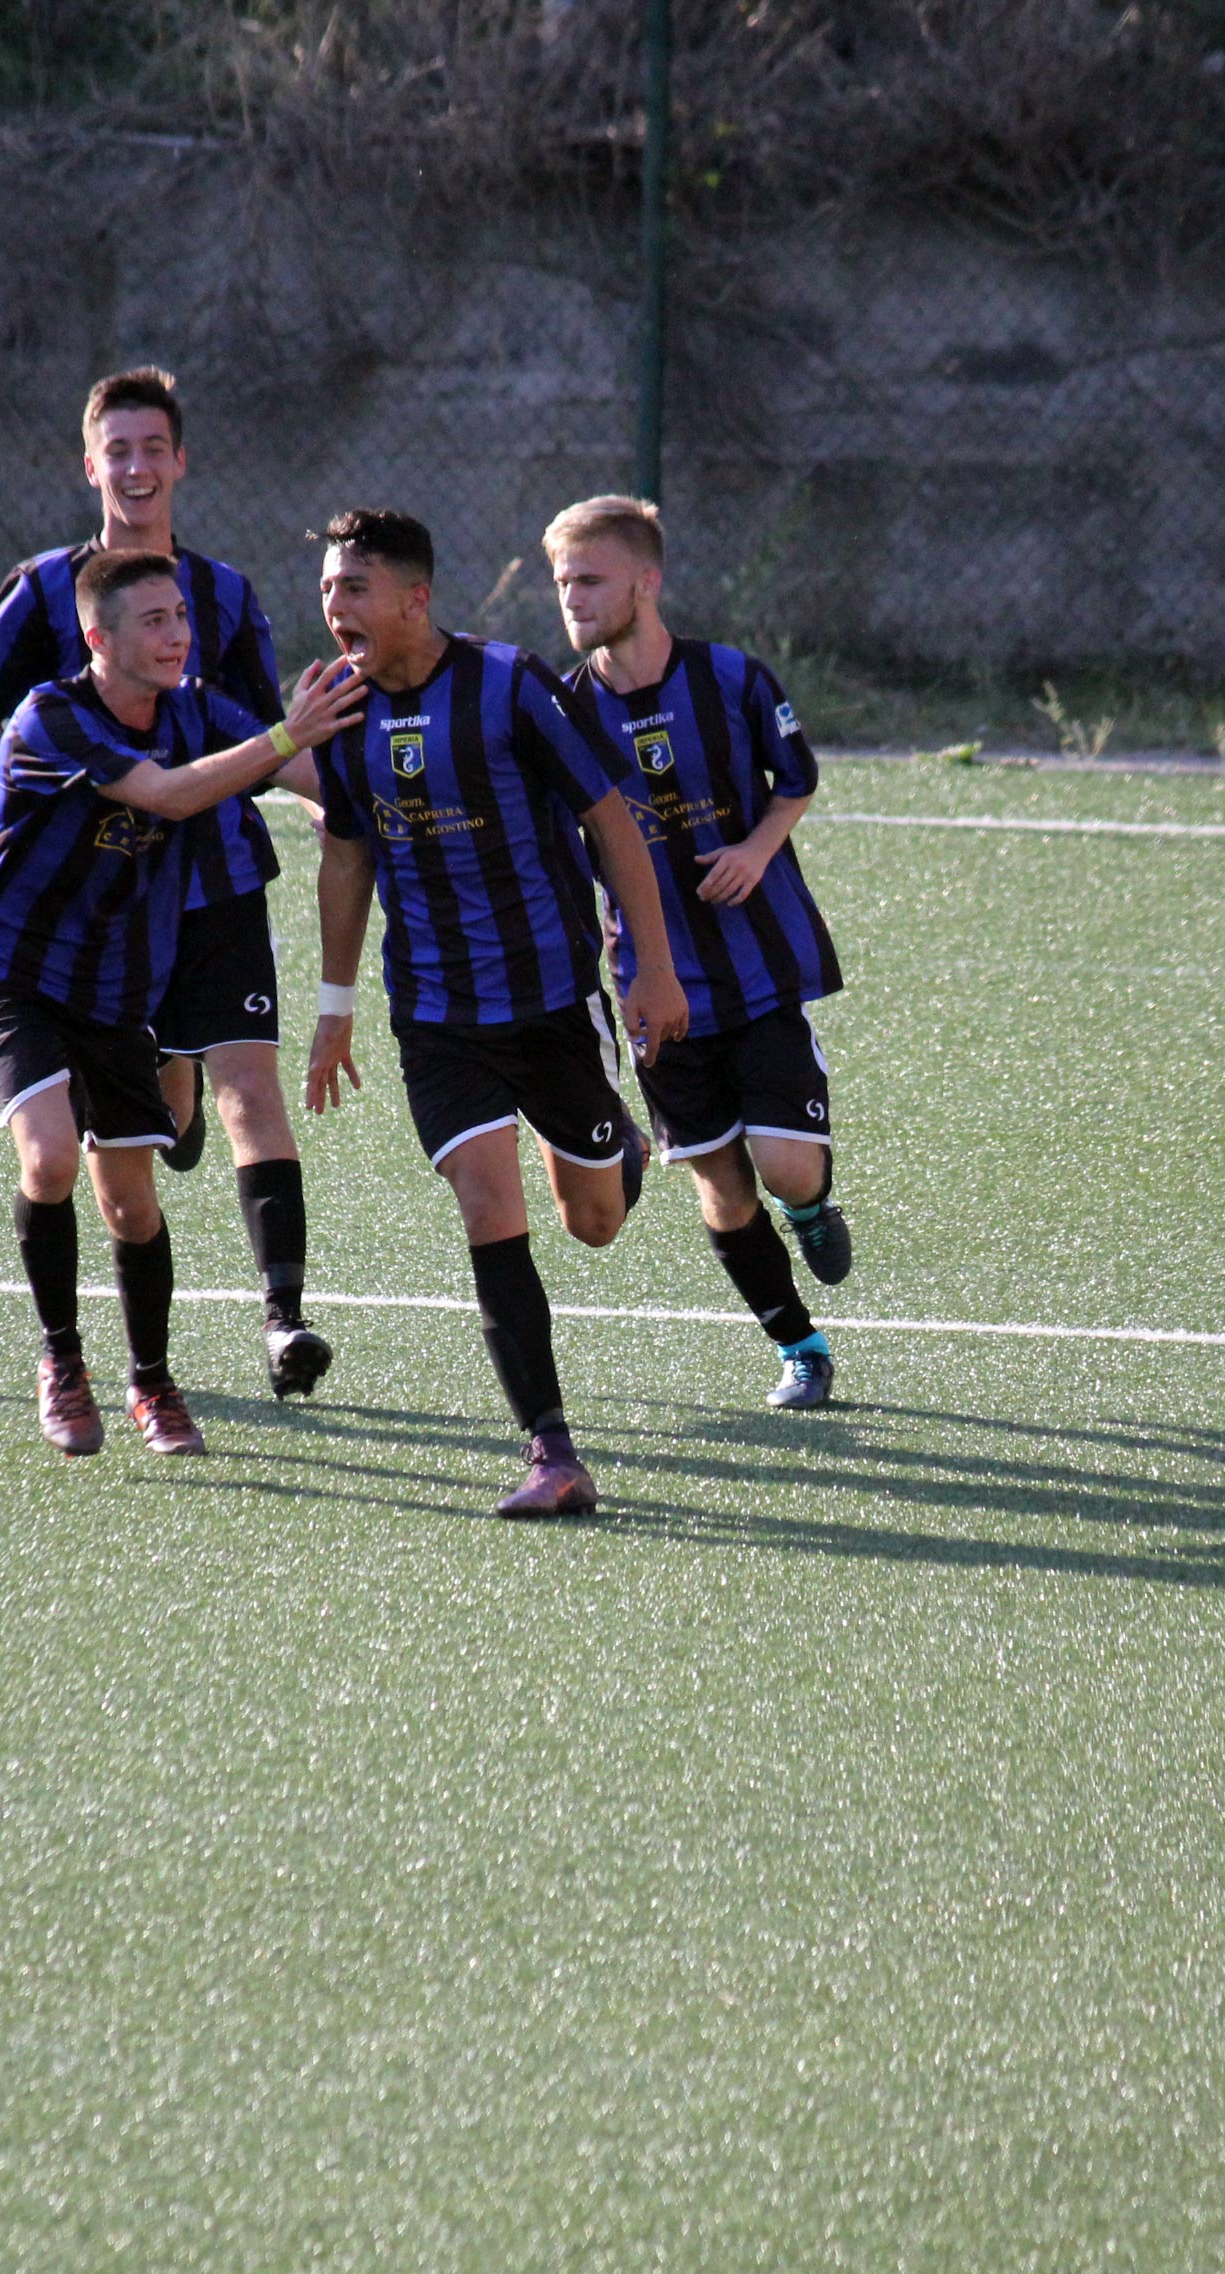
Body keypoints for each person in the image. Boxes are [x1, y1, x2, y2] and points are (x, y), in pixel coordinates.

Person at [0, 368, 335, 1400]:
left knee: (249, 1085)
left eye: (153, 447)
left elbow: (265, 735)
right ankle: (96, 1342)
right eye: (116, 449)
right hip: (98, 912)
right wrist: (68, 809)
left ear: (180, 460)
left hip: (216, 881)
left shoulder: (225, 595)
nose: (136, 466)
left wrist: (335, 800)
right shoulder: (43, 592)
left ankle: (284, 1319)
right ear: (90, 465)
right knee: (137, 1137)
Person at [299, 508, 689, 1518]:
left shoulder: (511, 684)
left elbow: (612, 819)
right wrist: (336, 1004)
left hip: (552, 1002)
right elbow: (345, 855)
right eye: (328, 588)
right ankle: (553, 1453)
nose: (334, 607)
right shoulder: (340, 707)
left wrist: (651, 967)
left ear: (414, 599)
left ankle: (618, 1151)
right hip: (435, 1014)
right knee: (487, 1207)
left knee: (593, 1223)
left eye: (354, 589)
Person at [549, 495, 855, 1410]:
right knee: (720, 1179)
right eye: (563, 582)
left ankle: (810, 1207)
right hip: (655, 985)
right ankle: (800, 1346)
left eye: (591, 579)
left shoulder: (731, 678)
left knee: (786, 1166)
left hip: (756, 965)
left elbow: (795, 779)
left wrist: (756, 851)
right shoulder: (561, 711)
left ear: (647, 582)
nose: (573, 598)